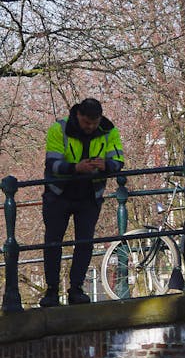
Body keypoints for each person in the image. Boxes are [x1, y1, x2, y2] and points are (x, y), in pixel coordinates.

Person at [40, 98, 124, 307]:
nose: (91, 127)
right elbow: (53, 164)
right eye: (87, 123)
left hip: (89, 195)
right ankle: (51, 291)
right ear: (78, 116)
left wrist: (106, 165)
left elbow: (119, 161)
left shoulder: (108, 130)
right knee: (53, 243)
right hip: (59, 194)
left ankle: (76, 289)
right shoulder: (59, 129)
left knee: (84, 243)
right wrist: (75, 168)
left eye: (94, 123)